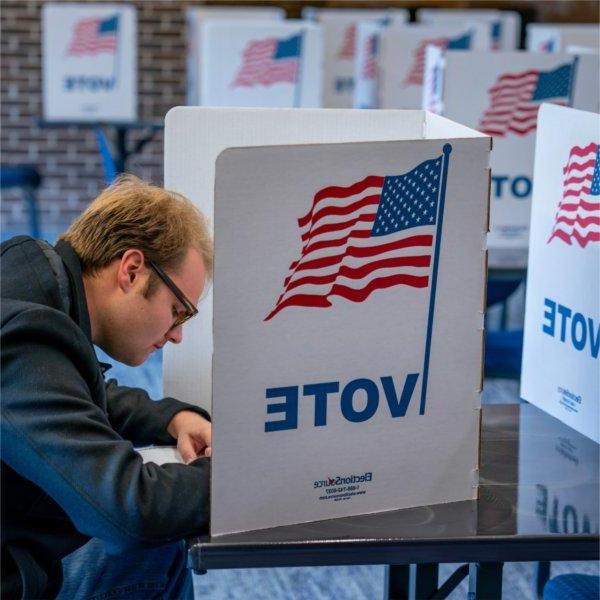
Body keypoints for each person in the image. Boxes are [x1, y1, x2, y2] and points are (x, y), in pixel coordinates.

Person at [1, 175, 213, 599]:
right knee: (158, 546)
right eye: (177, 311)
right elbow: (133, 511)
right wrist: (240, 479)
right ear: (132, 271)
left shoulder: (37, 282)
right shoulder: (24, 337)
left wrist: (173, 417)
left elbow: (77, 390)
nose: (176, 335)